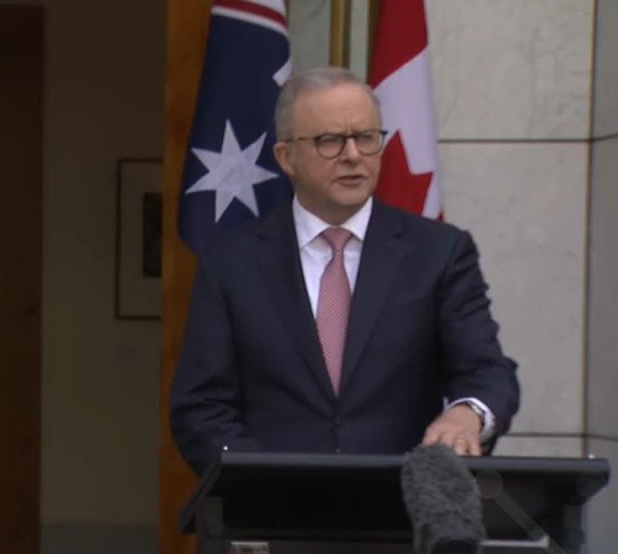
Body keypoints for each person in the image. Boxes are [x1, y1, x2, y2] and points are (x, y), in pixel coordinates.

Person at [169, 66, 520, 477]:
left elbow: (488, 373)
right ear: (287, 157)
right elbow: (201, 407)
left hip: (401, 512)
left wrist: (466, 415)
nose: (353, 155)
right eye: (330, 141)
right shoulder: (231, 262)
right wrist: (262, 480)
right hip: (271, 514)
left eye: (366, 138)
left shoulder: (440, 253)